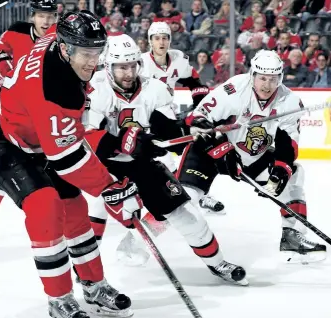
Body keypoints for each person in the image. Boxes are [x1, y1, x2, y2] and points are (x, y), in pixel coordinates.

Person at [0, 11, 135, 318]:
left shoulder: (57, 44)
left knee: (74, 210)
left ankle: (94, 286)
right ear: (65, 48)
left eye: (96, 52)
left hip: (36, 136)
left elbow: (65, 144)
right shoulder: (53, 90)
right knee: (46, 206)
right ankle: (59, 299)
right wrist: (109, 186)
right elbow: (65, 157)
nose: (94, 61)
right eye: (87, 54)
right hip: (6, 141)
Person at [82, 34, 248, 285]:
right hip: (105, 165)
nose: (128, 73)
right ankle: (87, 275)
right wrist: (124, 143)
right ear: (108, 66)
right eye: (121, 67)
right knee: (95, 210)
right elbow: (88, 137)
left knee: (186, 213)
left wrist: (190, 127)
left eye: (131, 66)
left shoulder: (153, 89)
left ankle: (217, 263)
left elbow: (166, 128)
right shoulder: (95, 90)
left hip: (141, 164)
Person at [179, 50, 326, 263]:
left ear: (280, 78)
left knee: (294, 174)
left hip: (251, 156)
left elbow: (288, 144)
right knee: (182, 199)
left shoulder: (289, 101)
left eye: (273, 79)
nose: (267, 84)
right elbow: (199, 118)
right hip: (211, 152)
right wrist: (219, 148)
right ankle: (138, 239)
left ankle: (292, 235)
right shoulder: (233, 89)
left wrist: (280, 170)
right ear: (253, 75)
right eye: (262, 78)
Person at [140, 21, 225, 213]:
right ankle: (165, 198)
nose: (161, 42)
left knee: (193, 150)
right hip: (144, 117)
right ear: (149, 41)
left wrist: (201, 108)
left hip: (167, 116)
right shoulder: (140, 63)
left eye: (165, 38)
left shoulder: (178, 59)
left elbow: (194, 81)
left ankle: (197, 193)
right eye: (156, 38)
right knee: (159, 159)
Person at [0, 0, 59, 208]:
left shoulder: (59, 40)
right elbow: (0, 51)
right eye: (41, 16)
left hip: (43, 116)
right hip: (12, 109)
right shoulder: (17, 32)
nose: (46, 20)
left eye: (50, 16)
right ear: (32, 17)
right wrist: (8, 77)